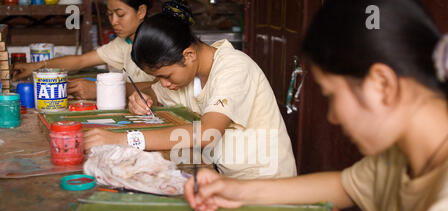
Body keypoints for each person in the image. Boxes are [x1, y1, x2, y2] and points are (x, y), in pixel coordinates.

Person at [88, 0, 448, 211]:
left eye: (332, 97)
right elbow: (345, 185)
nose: (335, 117)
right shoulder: (403, 159)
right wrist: (235, 190)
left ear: (382, 84)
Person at [84, 0, 297, 180]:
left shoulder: (234, 68)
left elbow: (207, 133)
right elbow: (156, 93)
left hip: (267, 182)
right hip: (224, 177)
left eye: (165, 76)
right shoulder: (188, 76)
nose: (163, 83)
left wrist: (124, 139)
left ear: (188, 55)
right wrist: (144, 97)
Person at [12, 0, 155, 100]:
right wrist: (35, 67)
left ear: (141, 11)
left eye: (120, 14)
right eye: (110, 14)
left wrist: (102, 89)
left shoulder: (157, 41)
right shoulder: (125, 43)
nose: (113, 21)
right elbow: (81, 61)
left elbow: (163, 88)